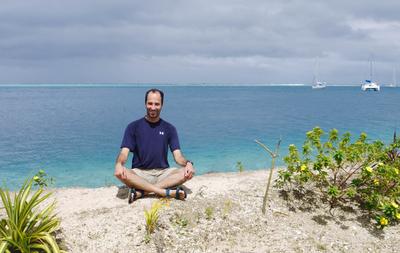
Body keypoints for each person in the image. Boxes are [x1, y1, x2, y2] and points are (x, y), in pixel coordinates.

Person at [114, 88, 195, 203]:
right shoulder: (133, 127)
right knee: (121, 173)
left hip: (163, 173)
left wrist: (188, 164)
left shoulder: (169, 128)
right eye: (150, 103)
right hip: (140, 173)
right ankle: (163, 191)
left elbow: (178, 157)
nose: (153, 107)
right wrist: (119, 164)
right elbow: (124, 153)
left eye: (156, 104)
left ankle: (142, 192)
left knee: (185, 173)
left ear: (162, 105)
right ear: (145, 104)